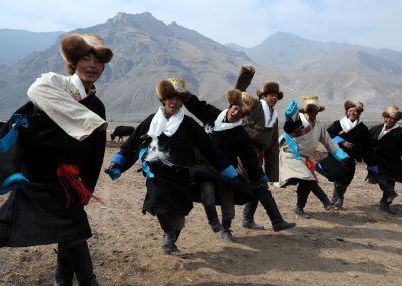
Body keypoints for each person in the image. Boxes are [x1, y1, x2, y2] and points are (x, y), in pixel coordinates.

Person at [0, 33, 112, 286]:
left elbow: (94, 152)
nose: (93, 65)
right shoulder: (52, 90)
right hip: (39, 176)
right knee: (74, 225)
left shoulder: (96, 106)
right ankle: (88, 284)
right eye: (86, 58)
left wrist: (87, 186)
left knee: (70, 227)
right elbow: (20, 128)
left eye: (98, 61)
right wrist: (13, 168)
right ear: (74, 63)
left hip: (68, 180)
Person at [105, 78, 239, 257]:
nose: (174, 102)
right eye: (170, 98)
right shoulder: (152, 121)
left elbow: (209, 149)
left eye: (178, 98)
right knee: (158, 202)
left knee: (179, 213)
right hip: (156, 174)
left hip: (181, 175)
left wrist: (227, 170)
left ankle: (171, 241)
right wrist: (118, 161)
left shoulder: (189, 125)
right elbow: (132, 142)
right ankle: (168, 235)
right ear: (163, 101)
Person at [184, 88, 296, 241]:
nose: (236, 113)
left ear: (244, 116)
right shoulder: (213, 115)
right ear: (230, 106)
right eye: (235, 109)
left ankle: (226, 229)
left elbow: (249, 158)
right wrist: (184, 95)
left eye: (241, 113)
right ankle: (214, 222)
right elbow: (197, 105)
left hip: (226, 172)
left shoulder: (241, 135)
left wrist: (260, 176)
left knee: (228, 207)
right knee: (208, 196)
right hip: (204, 169)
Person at [278, 96, 350, 218]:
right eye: (310, 111)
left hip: (307, 158)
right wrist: (289, 119)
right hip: (291, 155)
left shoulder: (319, 126)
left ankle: (299, 208)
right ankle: (326, 202)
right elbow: (288, 128)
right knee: (308, 178)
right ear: (305, 111)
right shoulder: (297, 119)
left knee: (306, 183)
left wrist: (342, 157)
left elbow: (329, 142)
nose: (312, 113)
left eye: (314, 111)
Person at [235, 66, 282, 229]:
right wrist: (246, 75)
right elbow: (237, 93)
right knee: (259, 186)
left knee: (257, 185)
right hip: (245, 152)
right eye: (271, 95)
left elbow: (273, 145)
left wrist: (272, 171)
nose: (274, 98)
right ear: (263, 96)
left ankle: (248, 219)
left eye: (276, 96)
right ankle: (277, 221)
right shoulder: (254, 105)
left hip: (258, 156)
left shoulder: (274, 116)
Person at [325, 100, 377, 209]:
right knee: (338, 176)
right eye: (350, 111)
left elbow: (368, 145)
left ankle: (337, 198)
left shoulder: (363, 128)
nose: (352, 113)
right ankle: (339, 199)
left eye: (355, 111)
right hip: (337, 155)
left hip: (351, 157)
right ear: (347, 112)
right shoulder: (338, 124)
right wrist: (342, 142)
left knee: (346, 179)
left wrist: (370, 161)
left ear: (359, 113)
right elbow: (328, 134)